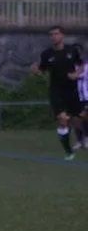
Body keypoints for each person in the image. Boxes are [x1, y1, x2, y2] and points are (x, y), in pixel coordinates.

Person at [31, 26, 84, 160]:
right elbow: (42, 71)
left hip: (72, 91)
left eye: (56, 34)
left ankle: (81, 138)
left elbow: (82, 65)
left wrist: (76, 73)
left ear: (62, 36)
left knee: (77, 120)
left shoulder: (71, 50)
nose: (53, 37)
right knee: (62, 119)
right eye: (51, 35)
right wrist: (36, 71)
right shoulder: (47, 54)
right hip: (56, 92)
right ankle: (68, 151)